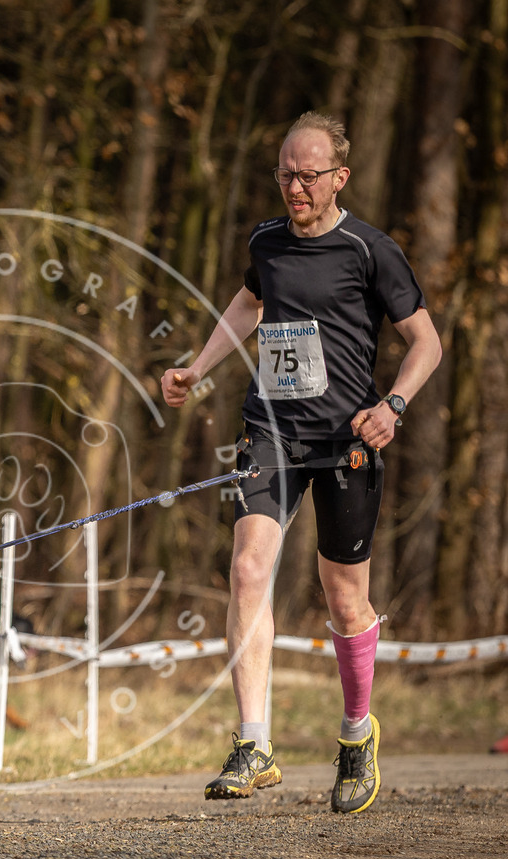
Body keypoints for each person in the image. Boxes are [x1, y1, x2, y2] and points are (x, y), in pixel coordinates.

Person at [161, 111, 442, 814]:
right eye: (285, 174)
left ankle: (355, 736)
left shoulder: (370, 250)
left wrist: (395, 407)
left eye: (308, 176)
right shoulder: (266, 241)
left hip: (348, 440)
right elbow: (249, 302)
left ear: (338, 177)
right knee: (249, 566)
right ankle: (253, 743)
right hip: (272, 433)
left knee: (343, 596)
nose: (294, 187)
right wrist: (197, 367)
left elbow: (426, 343)